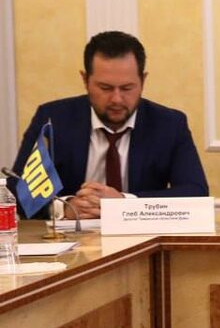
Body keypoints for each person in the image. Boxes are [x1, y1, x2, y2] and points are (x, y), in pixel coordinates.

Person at [8, 31, 208, 218]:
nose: (116, 99)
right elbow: (18, 191)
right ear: (85, 80)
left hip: (142, 238)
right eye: (105, 88)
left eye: (127, 88)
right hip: (72, 236)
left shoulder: (169, 124)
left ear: (143, 81)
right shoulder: (53, 120)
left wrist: (124, 203)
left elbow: (196, 193)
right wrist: (66, 208)